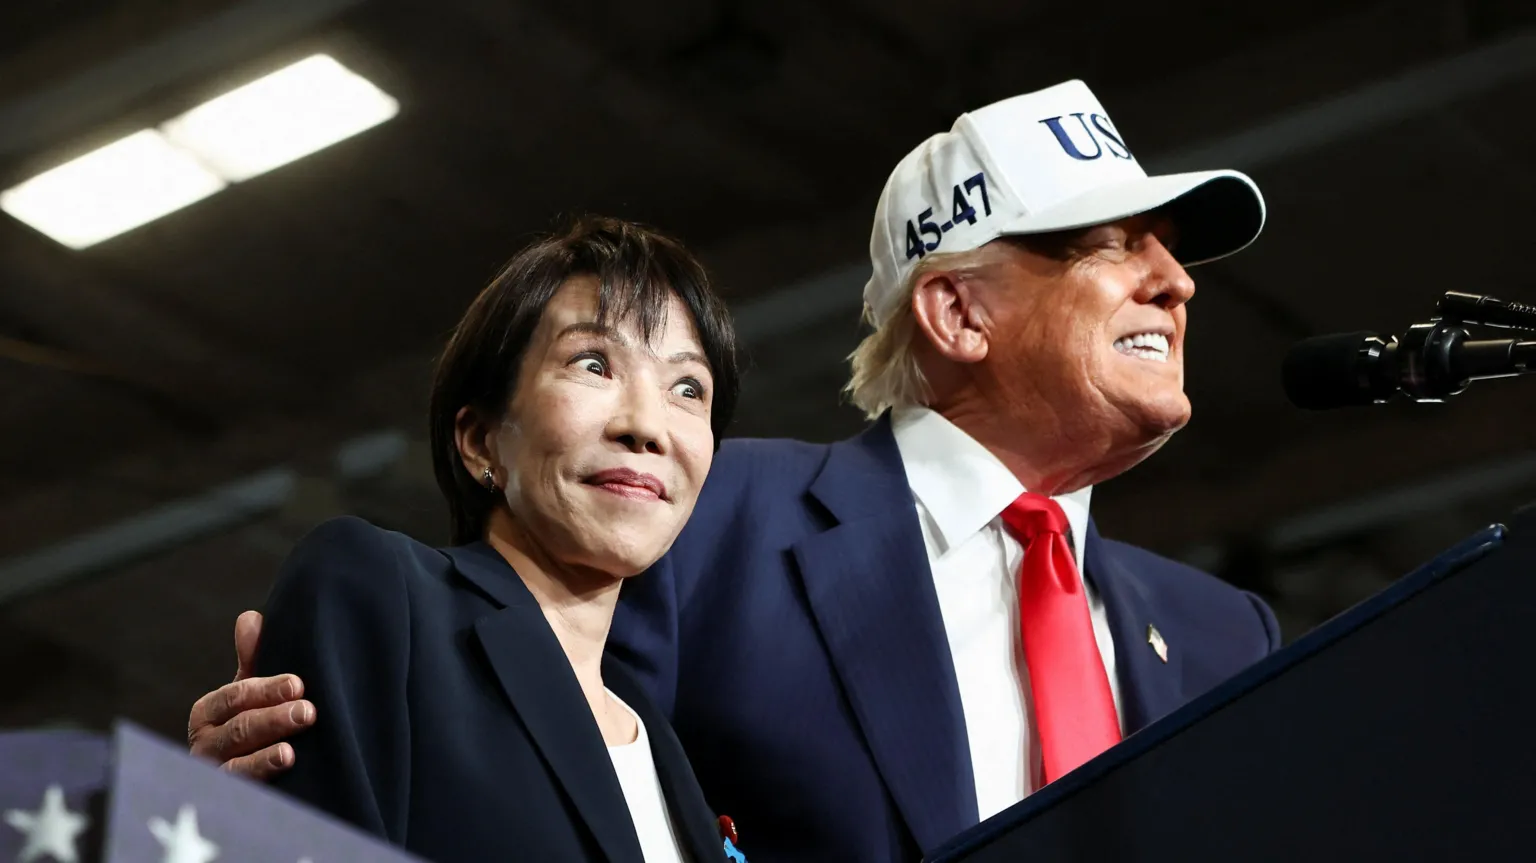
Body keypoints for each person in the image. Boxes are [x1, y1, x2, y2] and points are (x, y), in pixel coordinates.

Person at [189, 80, 1277, 862]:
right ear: (956, 310)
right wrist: (217, 824)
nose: (1175, 282)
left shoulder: (1233, 634)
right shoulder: (715, 524)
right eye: (1107, 243)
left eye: (687, 388)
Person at [238, 216, 745, 863]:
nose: (648, 426)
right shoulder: (380, 596)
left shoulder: (660, 738)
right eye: (594, 363)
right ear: (481, 439)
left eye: (687, 387)